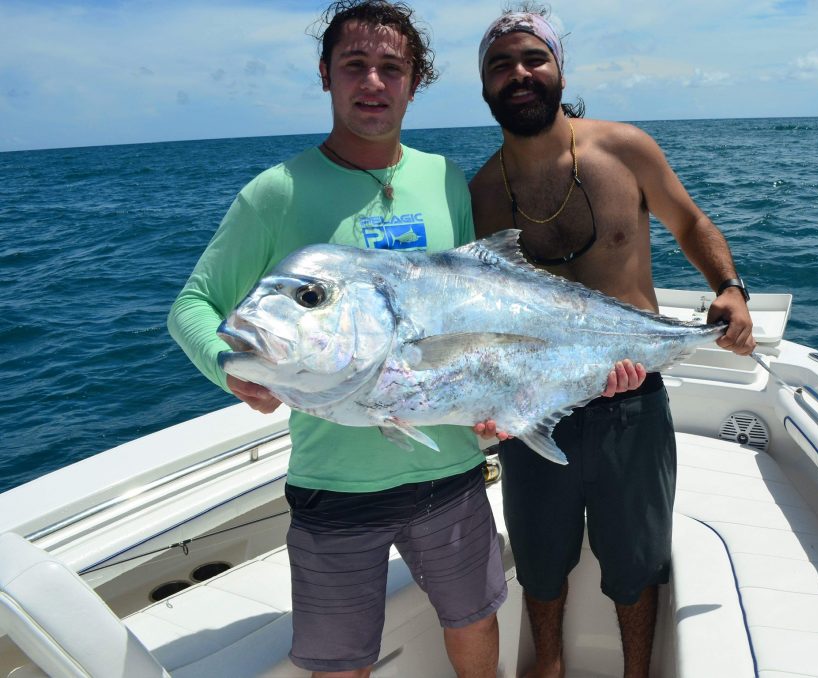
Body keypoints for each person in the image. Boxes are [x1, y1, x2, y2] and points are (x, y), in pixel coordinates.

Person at [167, 2, 508, 676]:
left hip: (451, 467)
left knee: (475, 619)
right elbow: (193, 306)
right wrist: (227, 367)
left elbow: (473, 310)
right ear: (326, 74)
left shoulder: (444, 179)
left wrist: (495, 393)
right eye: (355, 65)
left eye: (391, 68)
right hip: (334, 480)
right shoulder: (276, 193)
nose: (373, 83)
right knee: (341, 662)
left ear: (414, 83)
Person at [470, 8, 756, 678]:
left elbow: (689, 222)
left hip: (634, 401)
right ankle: (548, 668)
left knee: (637, 566)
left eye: (533, 58)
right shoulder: (480, 193)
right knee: (539, 565)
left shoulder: (625, 150)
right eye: (501, 64)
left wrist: (730, 287)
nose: (519, 73)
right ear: (484, 87)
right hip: (536, 406)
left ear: (559, 70)